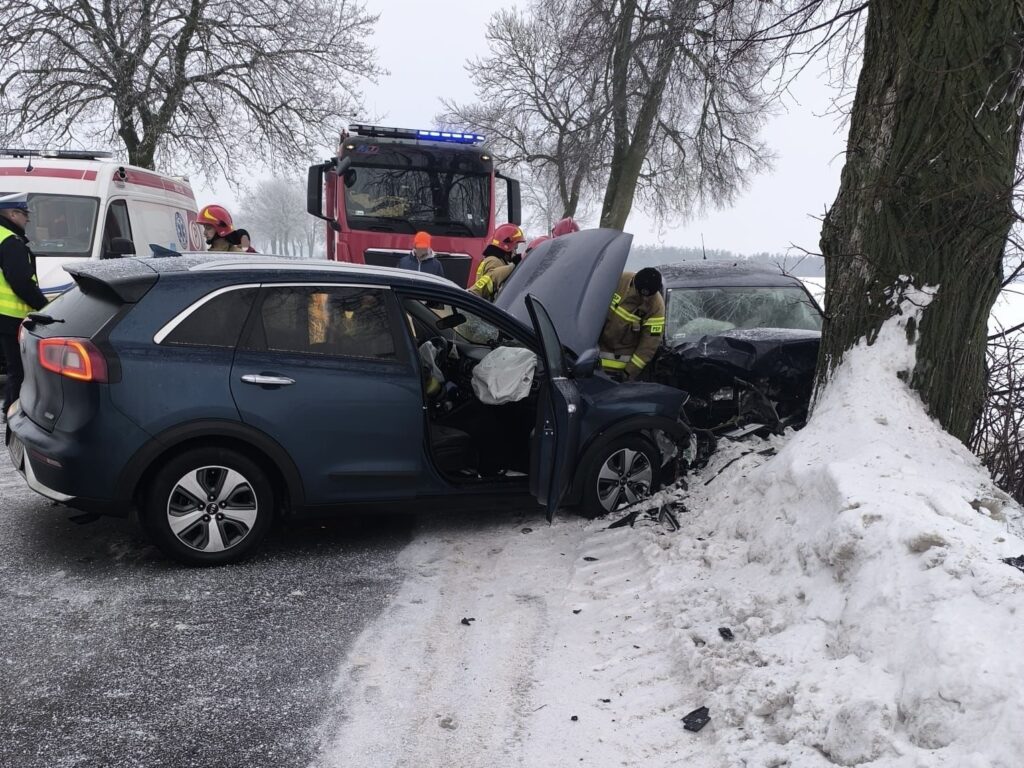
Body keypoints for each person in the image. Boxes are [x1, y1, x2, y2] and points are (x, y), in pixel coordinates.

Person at [0, 193, 48, 419]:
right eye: (24, 214)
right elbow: (20, 282)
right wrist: (44, 307)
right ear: (12, 214)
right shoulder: (10, 241)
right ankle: (14, 419)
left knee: (13, 370)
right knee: (19, 373)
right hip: (12, 318)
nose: (27, 219)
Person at [598, 267, 666, 381]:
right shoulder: (618, 281)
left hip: (624, 366)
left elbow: (649, 345)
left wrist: (628, 373)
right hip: (596, 357)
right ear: (634, 283)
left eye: (648, 296)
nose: (645, 299)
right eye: (641, 294)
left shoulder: (657, 307)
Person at [468, 223, 526, 301]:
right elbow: (492, 284)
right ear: (507, 246)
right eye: (515, 248)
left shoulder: (490, 259)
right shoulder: (495, 262)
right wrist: (514, 264)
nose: (515, 252)